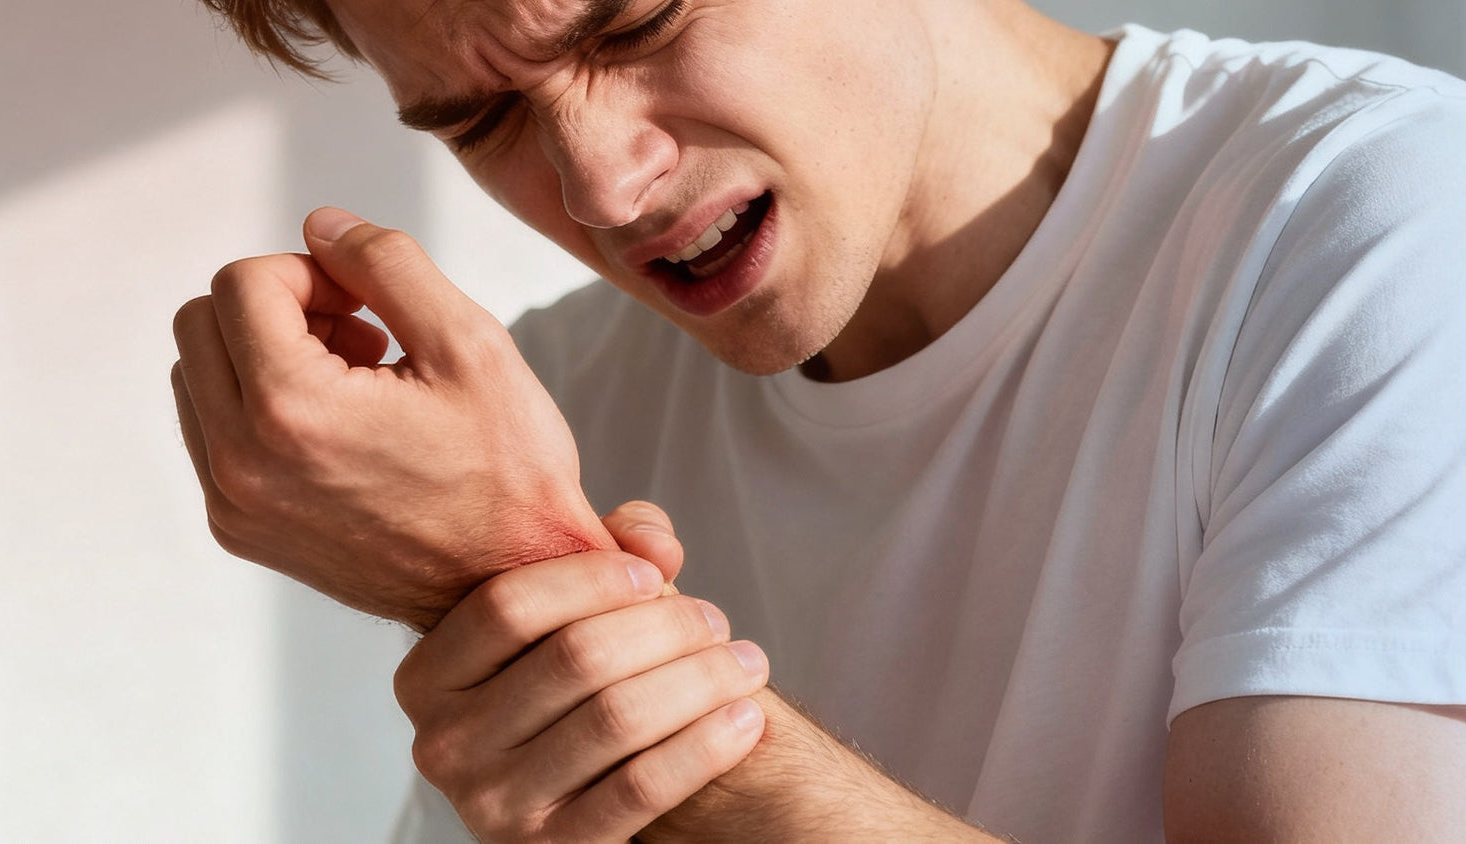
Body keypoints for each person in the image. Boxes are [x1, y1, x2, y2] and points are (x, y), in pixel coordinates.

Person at [171, 0, 1466, 839]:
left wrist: (533, 594)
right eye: (487, 119)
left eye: (634, 24)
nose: (604, 186)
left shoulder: (1385, 219)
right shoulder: (560, 399)